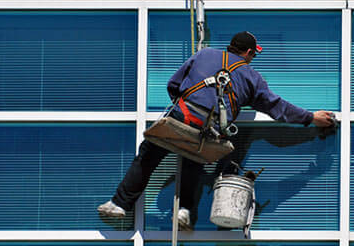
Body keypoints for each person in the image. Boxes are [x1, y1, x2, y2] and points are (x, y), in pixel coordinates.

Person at [98, 31, 337, 228]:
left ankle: (119, 205)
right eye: (253, 55)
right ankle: (184, 212)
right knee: (194, 162)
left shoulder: (204, 55)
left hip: (181, 116)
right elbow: (277, 108)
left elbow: (173, 85)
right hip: (207, 130)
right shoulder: (252, 77)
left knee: (147, 158)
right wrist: (310, 118)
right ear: (249, 53)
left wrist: (184, 106)